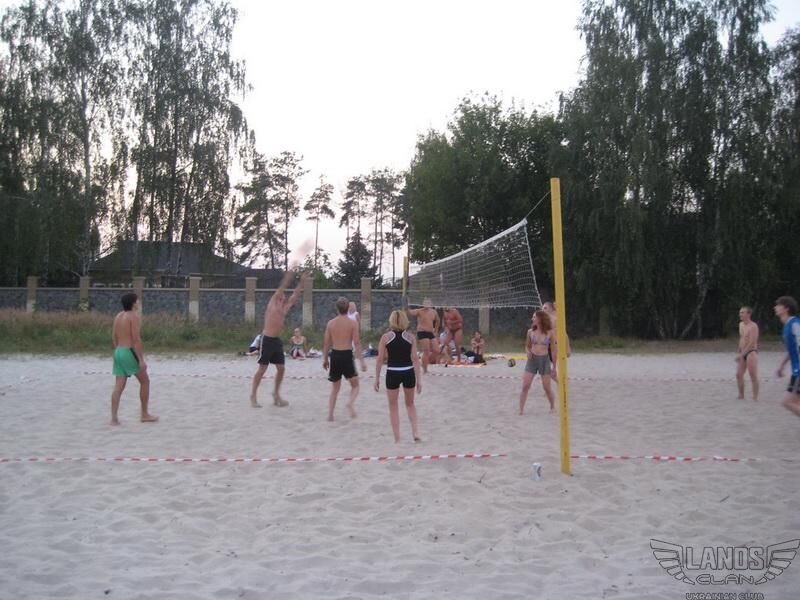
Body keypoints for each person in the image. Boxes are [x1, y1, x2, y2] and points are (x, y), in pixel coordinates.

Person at [249, 271, 309, 408]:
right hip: (267, 340)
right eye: (280, 297)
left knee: (281, 368)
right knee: (262, 368)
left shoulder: (284, 309)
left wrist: (302, 281)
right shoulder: (272, 305)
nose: (282, 298)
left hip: (276, 341)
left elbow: (295, 295)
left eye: (283, 298)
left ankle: (276, 395)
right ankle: (253, 396)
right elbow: (282, 287)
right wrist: (289, 274)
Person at [110, 292, 158, 425]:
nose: (139, 303)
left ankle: (114, 418)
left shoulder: (118, 316)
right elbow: (136, 339)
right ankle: (144, 414)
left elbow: (114, 336)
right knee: (145, 381)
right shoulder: (133, 317)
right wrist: (141, 360)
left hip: (118, 351)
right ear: (133, 303)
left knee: (118, 386)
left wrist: (118, 351)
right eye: (137, 301)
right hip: (128, 352)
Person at [374, 310, 422, 442]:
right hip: (408, 371)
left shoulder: (386, 337)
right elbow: (415, 359)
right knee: (410, 404)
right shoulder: (410, 337)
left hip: (393, 372)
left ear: (391, 321)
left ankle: (397, 438)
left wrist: (377, 378)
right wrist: (419, 379)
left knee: (393, 406)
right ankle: (415, 432)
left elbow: (380, 359)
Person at [323, 296, 367, 420]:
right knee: (355, 386)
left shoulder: (331, 323)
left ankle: (330, 414)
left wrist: (325, 359)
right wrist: (362, 361)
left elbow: (326, 344)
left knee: (335, 389)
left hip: (335, 355)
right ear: (348, 308)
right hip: (347, 355)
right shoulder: (353, 323)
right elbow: (357, 343)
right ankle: (350, 403)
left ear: (337, 309)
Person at [519, 310, 556, 415]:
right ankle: (521, 410)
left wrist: (554, 367)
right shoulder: (530, 332)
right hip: (532, 360)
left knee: (546, 387)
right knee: (525, 385)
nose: (532, 319)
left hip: (544, 360)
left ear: (540, 319)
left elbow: (553, 350)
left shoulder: (550, 332)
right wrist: (528, 352)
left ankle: (552, 406)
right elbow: (527, 346)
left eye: (534, 317)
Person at [775, 296, 800, 418]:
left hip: (799, 371)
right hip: (796, 370)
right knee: (795, 403)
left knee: (787, 402)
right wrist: (782, 366)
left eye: (778, 305)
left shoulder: (795, 323)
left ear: (786, 308)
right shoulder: (787, 326)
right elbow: (792, 350)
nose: (775, 307)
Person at [406, 297, 440, 373]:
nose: (426, 304)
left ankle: (423, 362)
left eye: (428, 302)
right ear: (423, 304)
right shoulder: (419, 311)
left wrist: (436, 330)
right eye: (425, 302)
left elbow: (438, 321)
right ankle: (425, 369)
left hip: (431, 332)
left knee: (437, 350)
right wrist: (406, 306)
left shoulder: (434, 312)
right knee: (426, 350)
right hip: (422, 332)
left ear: (431, 304)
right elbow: (410, 312)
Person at [542, 301, 571, 382]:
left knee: (555, 367)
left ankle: (560, 382)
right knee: (545, 367)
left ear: (551, 309)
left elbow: (564, 334)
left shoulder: (556, 319)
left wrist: (568, 347)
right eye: (543, 308)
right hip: (548, 346)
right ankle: (558, 381)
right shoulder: (544, 320)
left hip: (556, 346)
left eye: (545, 308)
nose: (543, 309)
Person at [735, 306, 759, 401]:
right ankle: (741, 395)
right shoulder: (741, 324)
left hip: (751, 352)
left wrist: (742, 354)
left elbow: (752, 342)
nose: (740, 314)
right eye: (740, 312)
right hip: (742, 352)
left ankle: (755, 397)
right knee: (738, 374)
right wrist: (739, 351)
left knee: (752, 375)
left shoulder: (753, 326)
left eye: (742, 312)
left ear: (748, 314)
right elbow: (742, 338)